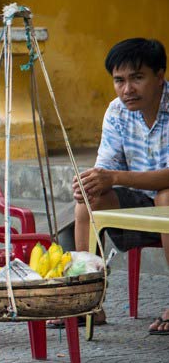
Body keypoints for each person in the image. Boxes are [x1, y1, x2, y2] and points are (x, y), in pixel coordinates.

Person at [71, 38, 169, 334]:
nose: (127, 89)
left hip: (165, 202)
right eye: (119, 80)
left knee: (166, 196)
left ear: (160, 75)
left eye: (137, 78)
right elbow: (105, 169)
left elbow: (115, 175)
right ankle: (90, 301)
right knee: (88, 200)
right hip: (139, 205)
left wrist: (113, 178)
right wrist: (91, 183)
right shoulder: (116, 111)